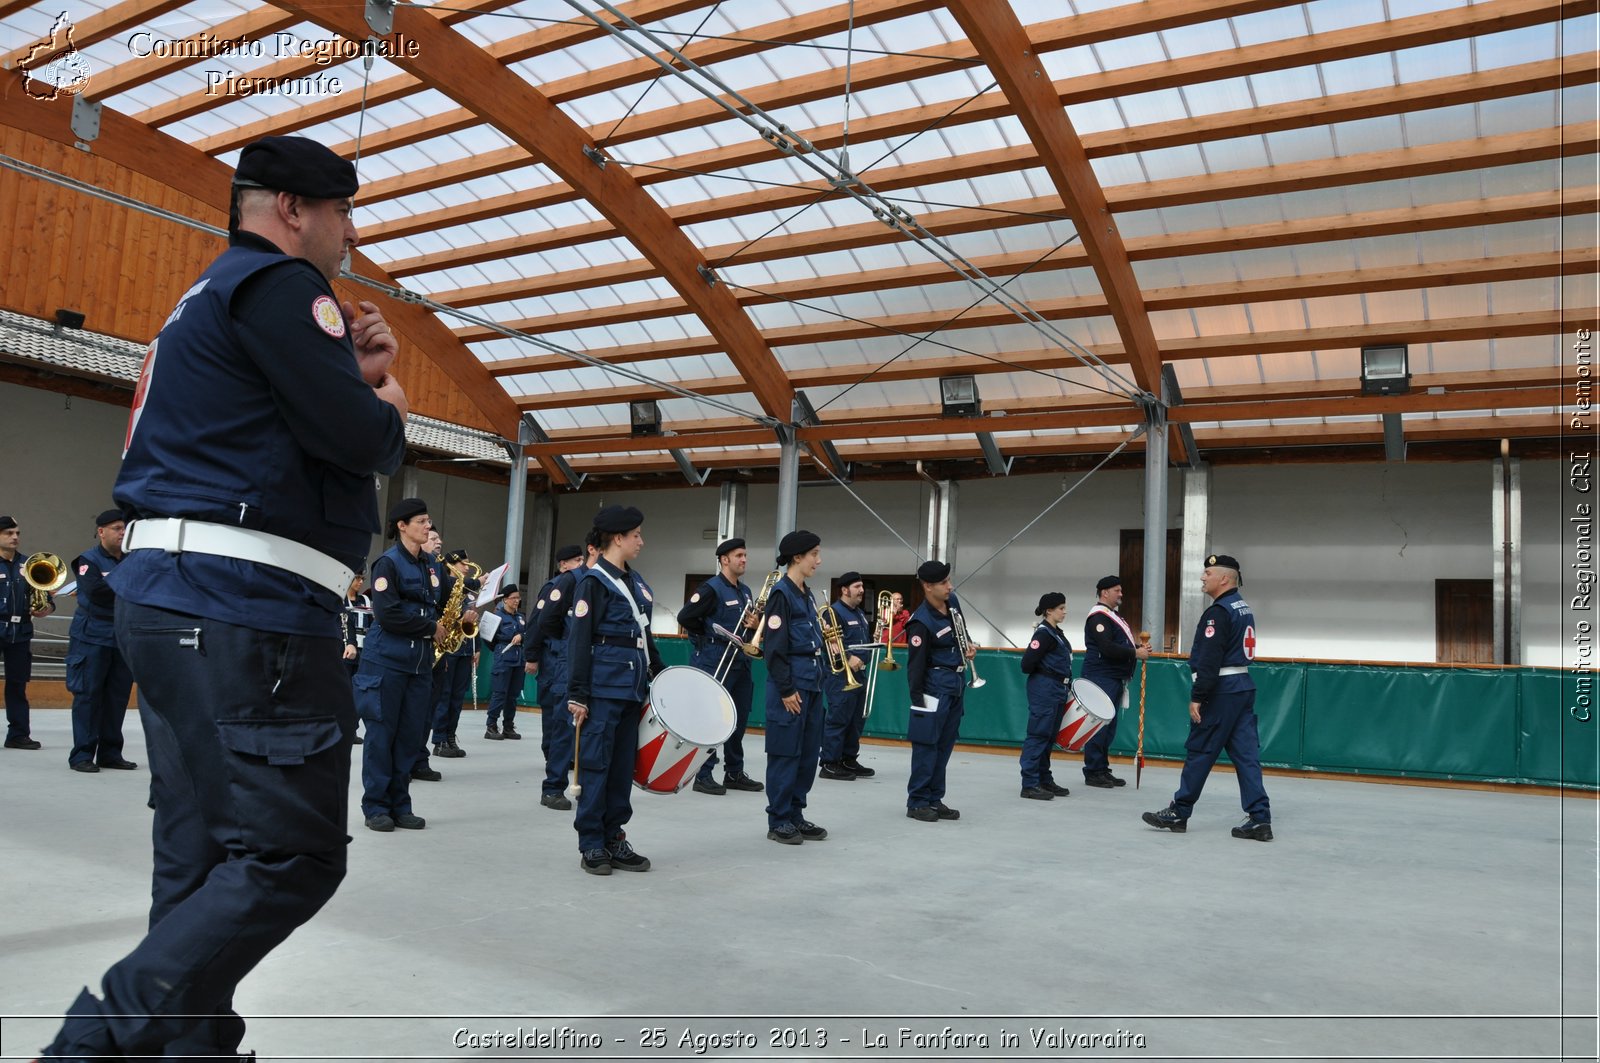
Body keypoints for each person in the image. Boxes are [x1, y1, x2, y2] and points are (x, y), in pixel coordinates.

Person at [42, 134, 408, 1062]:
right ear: (292, 209)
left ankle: (186, 1050)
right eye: (341, 214)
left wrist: (346, 380)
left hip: (171, 598)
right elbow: (361, 441)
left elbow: (277, 424)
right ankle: (97, 1041)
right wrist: (387, 401)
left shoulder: (203, 298)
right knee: (293, 855)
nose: (347, 235)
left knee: (202, 857)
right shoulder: (284, 287)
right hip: (244, 605)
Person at [1143, 554, 1272, 842]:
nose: (1203, 577)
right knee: (1247, 756)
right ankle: (1260, 818)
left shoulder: (1219, 612)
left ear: (1224, 578)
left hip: (1221, 690)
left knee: (1200, 751)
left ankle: (1180, 811)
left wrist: (1198, 695)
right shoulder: (1242, 607)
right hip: (1242, 686)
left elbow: (1210, 657)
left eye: (1208, 572)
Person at [566, 507, 663, 875]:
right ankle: (591, 843)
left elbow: (644, 634)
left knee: (622, 770)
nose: (641, 541)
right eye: (636, 535)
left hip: (631, 690)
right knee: (596, 766)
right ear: (618, 539)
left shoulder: (635, 582)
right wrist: (578, 694)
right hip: (602, 691)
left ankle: (614, 836)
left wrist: (661, 674)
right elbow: (579, 640)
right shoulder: (593, 583)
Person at [358, 498, 440, 832]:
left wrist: (464, 610)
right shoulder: (387, 564)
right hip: (386, 662)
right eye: (421, 521)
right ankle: (376, 806)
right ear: (402, 526)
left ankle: (400, 804)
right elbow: (388, 613)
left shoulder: (430, 565)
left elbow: (440, 602)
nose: (427, 526)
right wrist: (430, 627)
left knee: (408, 737)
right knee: (381, 735)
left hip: (419, 665)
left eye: (428, 520)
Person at [676, 537, 763, 795]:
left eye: (745, 555)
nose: (744, 560)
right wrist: (706, 635)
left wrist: (754, 625)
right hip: (714, 658)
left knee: (739, 718)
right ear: (724, 560)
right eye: (739, 556)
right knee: (713, 718)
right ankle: (703, 774)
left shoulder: (744, 591)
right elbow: (685, 617)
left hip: (740, 661)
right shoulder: (710, 588)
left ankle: (734, 772)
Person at [761, 530, 829, 845]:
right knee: (785, 752)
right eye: (814, 554)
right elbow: (774, 649)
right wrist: (787, 689)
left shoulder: (807, 594)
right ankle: (779, 820)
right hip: (791, 688)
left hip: (812, 684)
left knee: (807, 755)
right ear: (797, 557)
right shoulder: (781, 595)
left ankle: (795, 814)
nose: (819, 560)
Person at [65, 509, 136, 773]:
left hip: (121, 637)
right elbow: (96, 592)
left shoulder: (131, 559)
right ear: (101, 531)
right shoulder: (88, 559)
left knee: (117, 697)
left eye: (124, 528)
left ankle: (110, 753)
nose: (122, 532)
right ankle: (82, 755)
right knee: (88, 695)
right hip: (91, 637)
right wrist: (130, 583)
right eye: (117, 528)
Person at [902, 560, 973, 823]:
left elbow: (961, 633)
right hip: (933, 688)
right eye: (943, 583)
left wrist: (969, 646)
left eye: (949, 581)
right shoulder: (920, 622)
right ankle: (917, 800)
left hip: (955, 684)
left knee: (944, 745)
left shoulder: (952, 602)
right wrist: (918, 701)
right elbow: (915, 666)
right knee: (926, 746)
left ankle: (934, 797)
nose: (949, 586)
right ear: (928, 586)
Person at [530, 541, 587, 810]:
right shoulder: (559, 585)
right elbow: (539, 623)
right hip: (557, 658)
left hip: (577, 659)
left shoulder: (591, 581)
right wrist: (533, 655)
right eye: (574, 560)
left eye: (580, 559)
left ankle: (567, 766)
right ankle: (553, 773)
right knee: (557, 721)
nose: (579, 563)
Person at [1080, 574, 1150, 788]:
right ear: (1105, 592)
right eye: (1117, 590)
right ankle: (1092, 771)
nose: (1121, 594)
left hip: (1113, 677)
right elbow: (1106, 647)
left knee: (1108, 726)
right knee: (1099, 726)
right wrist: (1135, 653)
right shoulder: (1099, 617)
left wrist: (1137, 647)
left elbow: (1118, 642)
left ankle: (1102, 768)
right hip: (1102, 677)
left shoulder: (1112, 616)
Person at [1, 514, 54, 750]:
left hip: (20, 631)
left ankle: (18, 734)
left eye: (17, 533)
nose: (15, 537)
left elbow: (46, 596)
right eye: (9, 533)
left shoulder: (29, 565)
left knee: (17, 685)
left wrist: (46, 608)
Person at [1017, 591, 1074, 800]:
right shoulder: (1043, 634)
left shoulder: (1056, 633)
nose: (1064, 612)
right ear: (1049, 611)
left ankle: (1044, 778)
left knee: (1049, 736)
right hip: (1045, 688)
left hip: (1057, 688)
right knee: (1038, 734)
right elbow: (1026, 664)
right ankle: (1029, 783)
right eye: (1061, 608)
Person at [818, 571, 874, 781]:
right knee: (838, 719)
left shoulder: (859, 613)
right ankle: (830, 763)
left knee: (856, 720)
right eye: (857, 587)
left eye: (861, 587)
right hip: (840, 675)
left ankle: (848, 758)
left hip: (860, 673)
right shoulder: (833, 612)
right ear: (844, 589)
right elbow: (829, 641)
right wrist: (848, 658)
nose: (861, 591)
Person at [428, 545, 479, 756]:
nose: (466, 567)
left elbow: (473, 626)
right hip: (448, 649)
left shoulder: (466, 593)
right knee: (445, 695)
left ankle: (451, 736)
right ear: (452, 565)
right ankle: (439, 740)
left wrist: (478, 648)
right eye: (462, 564)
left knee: (458, 697)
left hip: (465, 649)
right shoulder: (446, 588)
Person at [480, 583, 527, 751]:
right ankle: (491, 725)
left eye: (518, 598)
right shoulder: (497, 617)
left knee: (513, 695)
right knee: (499, 693)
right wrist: (501, 646)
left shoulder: (520, 617)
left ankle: (508, 725)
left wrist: (522, 635)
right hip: (504, 657)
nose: (517, 601)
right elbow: (487, 638)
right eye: (514, 598)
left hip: (518, 659)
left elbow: (527, 632)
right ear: (505, 600)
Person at [341, 569, 372, 745]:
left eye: (362, 579)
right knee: (344, 690)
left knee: (360, 692)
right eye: (357, 578)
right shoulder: (340, 600)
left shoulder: (366, 600)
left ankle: (352, 729)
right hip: (345, 650)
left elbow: (372, 623)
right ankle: (343, 729)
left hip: (364, 650)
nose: (360, 582)